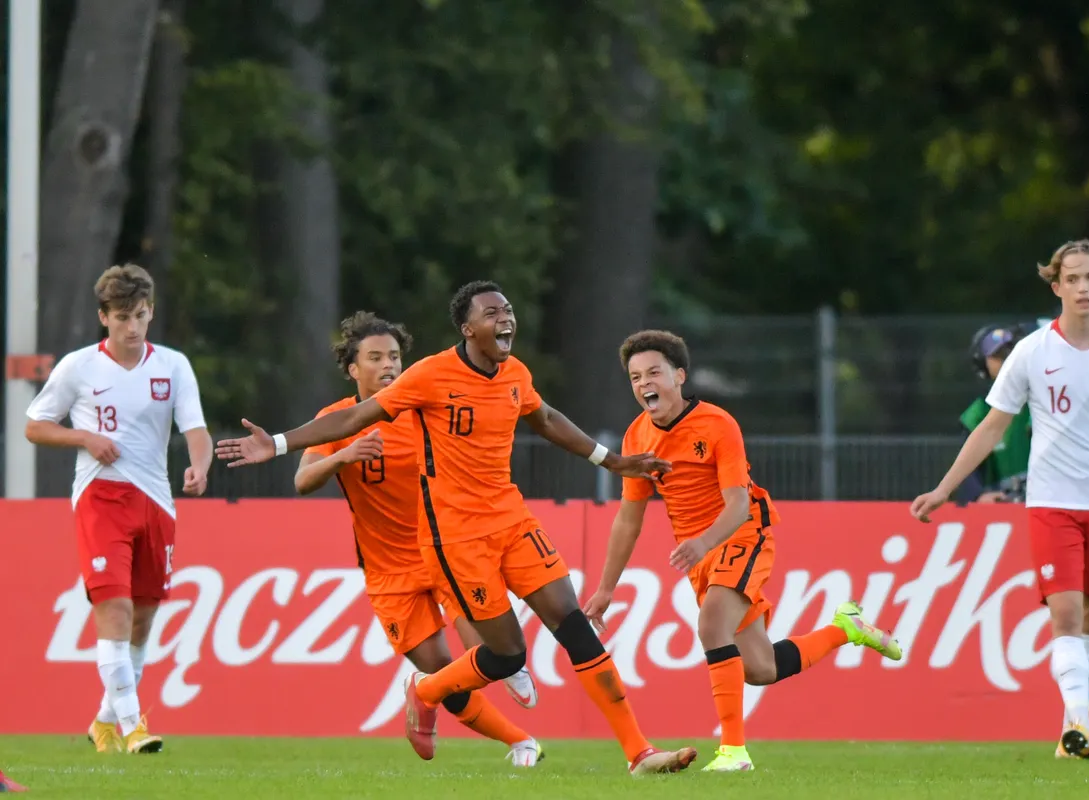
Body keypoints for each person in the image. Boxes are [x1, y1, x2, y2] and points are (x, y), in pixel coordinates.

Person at [217, 281, 698, 776]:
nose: (505, 317)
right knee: (507, 655)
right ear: (469, 329)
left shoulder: (515, 372)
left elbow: (547, 418)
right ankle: (427, 690)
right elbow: (354, 417)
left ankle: (638, 752)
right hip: (455, 538)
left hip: (511, 519)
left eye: (508, 309)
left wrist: (613, 461)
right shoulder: (429, 376)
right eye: (492, 312)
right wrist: (277, 444)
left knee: (573, 624)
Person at [910, 240, 1089, 760]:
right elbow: (991, 426)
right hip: (1051, 502)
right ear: (1056, 285)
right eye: (1073, 279)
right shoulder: (1033, 352)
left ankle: (1071, 729)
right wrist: (945, 488)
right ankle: (1081, 723)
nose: (1083, 287)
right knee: (1063, 613)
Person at [582, 330, 902, 772]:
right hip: (701, 552)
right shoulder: (637, 438)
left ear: (678, 376)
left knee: (712, 624)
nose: (644, 384)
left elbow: (736, 505)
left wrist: (701, 543)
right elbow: (628, 519)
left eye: (653, 372)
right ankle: (845, 630)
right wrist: (605, 588)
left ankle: (734, 752)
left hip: (743, 533)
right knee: (760, 668)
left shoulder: (717, 424)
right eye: (635, 377)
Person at [293, 311, 542, 766]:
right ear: (353, 369)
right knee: (438, 671)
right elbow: (303, 479)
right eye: (375, 357)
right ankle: (519, 741)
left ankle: (513, 662)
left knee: (487, 656)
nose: (389, 364)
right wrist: (343, 456)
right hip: (388, 571)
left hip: (445, 551)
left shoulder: (422, 408)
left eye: (394, 356)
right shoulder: (335, 421)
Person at [25, 264, 213, 754]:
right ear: (104, 318)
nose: (133, 327)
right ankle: (133, 727)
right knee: (114, 604)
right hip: (100, 495)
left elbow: (195, 428)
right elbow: (36, 425)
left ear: (151, 314)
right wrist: (83, 436)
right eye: (124, 317)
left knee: (143, 618)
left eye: (142, 315)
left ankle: (104, 722)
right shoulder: (79, 366)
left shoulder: (172, 365)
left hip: (156, 501)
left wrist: (199, 466)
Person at [955, 324, 1032, 504]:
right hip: (1004, 502)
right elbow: (967, 470)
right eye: (998, 356)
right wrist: (978, 496)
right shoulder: (977, 414)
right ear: (982, 363)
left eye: (1010, 353)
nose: (1006, 360)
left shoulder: (1040, 399)